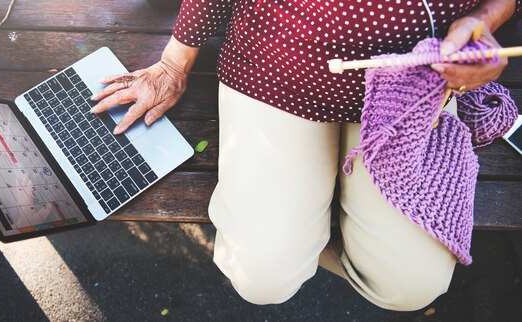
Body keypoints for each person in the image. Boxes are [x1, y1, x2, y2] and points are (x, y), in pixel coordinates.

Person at [90, 0, 521, 310]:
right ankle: (300, 224)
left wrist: (483, 19)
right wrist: (172, 65)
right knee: (261, 276)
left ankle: (308, 219)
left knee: (411, 286)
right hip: (276, 69)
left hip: (413, 84)